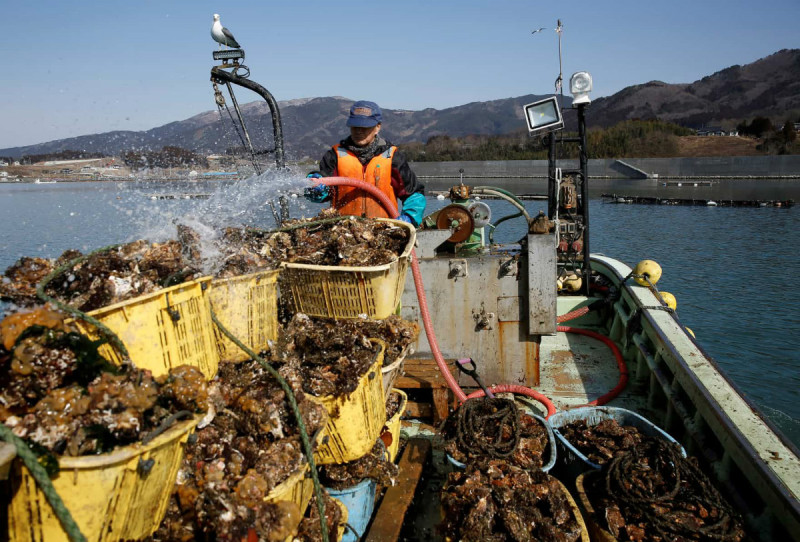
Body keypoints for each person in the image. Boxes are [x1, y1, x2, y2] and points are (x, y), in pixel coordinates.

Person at [304, 100, 426, 226]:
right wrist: (315, 187)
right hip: (344, 231)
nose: (359, 131)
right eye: (355, 126)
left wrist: (409, 218)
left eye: (365, 127)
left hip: (384, 230)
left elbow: (414, 194)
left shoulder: (393, 157)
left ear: (377, 127)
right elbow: (322, 194)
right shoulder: (334, 155)